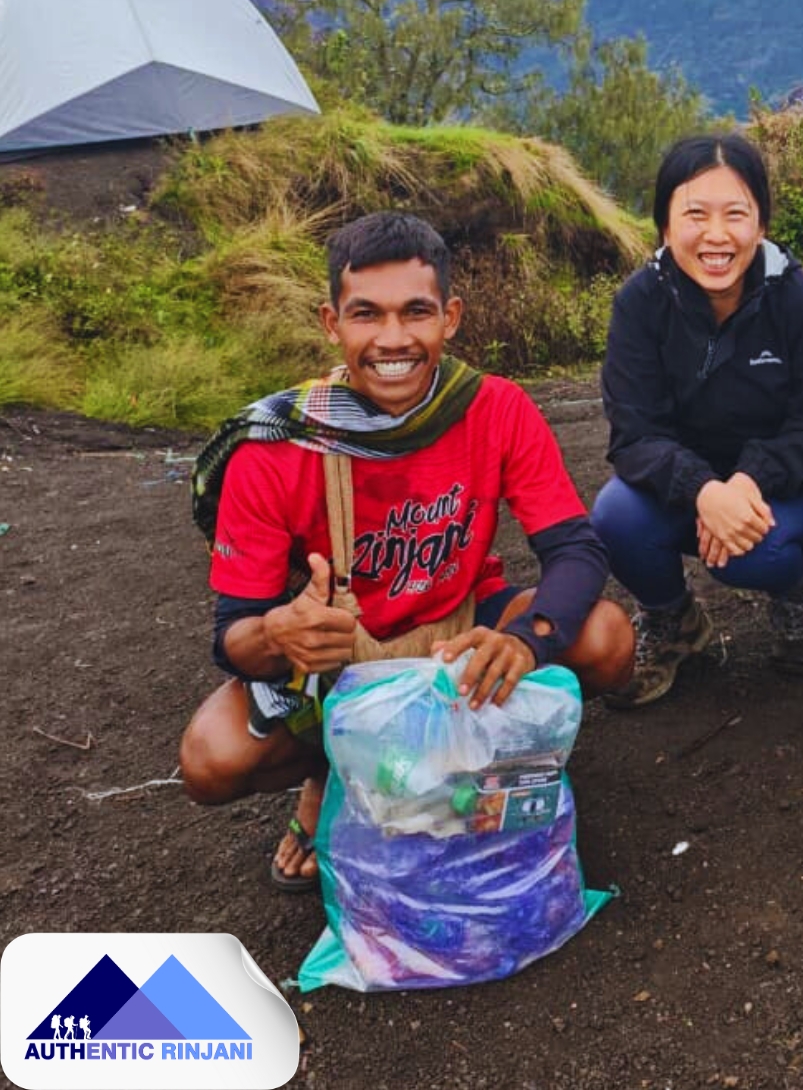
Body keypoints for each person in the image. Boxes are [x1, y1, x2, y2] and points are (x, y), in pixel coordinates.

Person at [181, 211, 634, 891]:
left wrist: (524, 640)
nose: (393, 339)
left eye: (416, 312)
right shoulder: (277, 445)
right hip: (339, 666)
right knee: (211, 758)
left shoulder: (494, 408)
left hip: (459, 638)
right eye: (366, 314)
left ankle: (491, 763)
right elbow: (233, 634)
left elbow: (574, 547)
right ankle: (329, 775)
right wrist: (279, 631)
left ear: (450, 318)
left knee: (605, 637)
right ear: (332, 323)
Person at [592, 134, 803, 708]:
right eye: (695, 214)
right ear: (664, 226)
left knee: (751, 553)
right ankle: (675, 621)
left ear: (760, 224)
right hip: (693, 489)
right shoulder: (641, 305)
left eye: (735, 214)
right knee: (615, 515)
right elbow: (635, 434)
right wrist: (703, 490)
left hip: (801, 489)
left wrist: (746, 482)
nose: (716, 235)